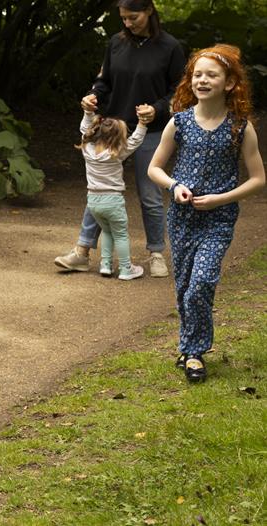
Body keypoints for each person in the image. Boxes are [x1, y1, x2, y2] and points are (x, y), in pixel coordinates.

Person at [148, 44, 265, 382]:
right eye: (197, 74)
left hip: (218, 218)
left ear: (229, 83)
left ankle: (196, 352)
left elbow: (259, 179)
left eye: (211, 75)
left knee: (201, 283)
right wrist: (174, 186)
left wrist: (221, 199)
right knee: (185, 285)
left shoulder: (240, 127)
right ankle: (188, 348)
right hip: (182, 216)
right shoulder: (179, 122)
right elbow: (154, 169)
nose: (202, 80)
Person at [55, 0, 185, 277]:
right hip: (113, 129)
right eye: (123, 18)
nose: (127, 24)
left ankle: (156, 253)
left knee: (150, 194)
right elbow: (105, 82)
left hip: (151, 131)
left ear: (149, 11)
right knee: (100, 190)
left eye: (133, 17)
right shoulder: (116, 42)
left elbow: (180, 91)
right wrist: (93, 96)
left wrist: (157, 108)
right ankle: (81, 252)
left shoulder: (170, 47)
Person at [76, 107, 152, 280]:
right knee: (121, 234)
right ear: (118, 137)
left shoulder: (87, 148)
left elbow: (84, 129)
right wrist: (142, 123)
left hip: (93, 201)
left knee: (108, 231)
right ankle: (126, 269)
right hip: (113, 200)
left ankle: (106, 265)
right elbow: (136, 140)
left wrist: (88, 114)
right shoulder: (116, 153)